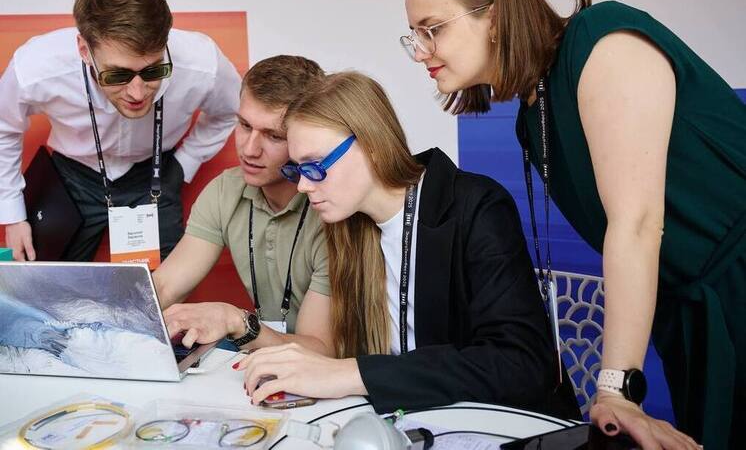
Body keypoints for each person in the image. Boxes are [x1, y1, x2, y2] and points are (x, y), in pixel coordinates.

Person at [398, 0, 745, 449]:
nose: (420, 51)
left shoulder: (601, 41)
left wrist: (615, 388)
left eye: (432, 29)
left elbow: (637, 224)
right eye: (413, 35)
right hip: (693, 317)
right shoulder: (531, 113)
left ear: (495, 15)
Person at [238, 71, 580, 420]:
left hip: (505, 424)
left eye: (315, 166)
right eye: (297, 170)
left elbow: (520, 364)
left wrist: (352, 374)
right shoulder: (347, 228)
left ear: (372, 146)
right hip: (413, 420)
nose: (302, 187)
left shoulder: (476, 207)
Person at [0, 0, 241, 263]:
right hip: (73, 176)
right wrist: (12, 214)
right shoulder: (37, 67)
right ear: (84, 50)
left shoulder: (202, 64)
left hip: (155, 174)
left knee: (165, 286)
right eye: (117, 75)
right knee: (46, 284)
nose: (137, 93)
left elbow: (231, 111)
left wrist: (185, 163)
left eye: (153, 71)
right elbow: (3, 127)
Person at [153, 55, 333, 356]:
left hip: (336, 371)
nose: (250, 149)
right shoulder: (226, 189)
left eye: (274, 136)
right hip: (265, 357)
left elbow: (321, 352)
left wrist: (235, 321)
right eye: (244, 125)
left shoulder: (331, 206)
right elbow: (165, 287)